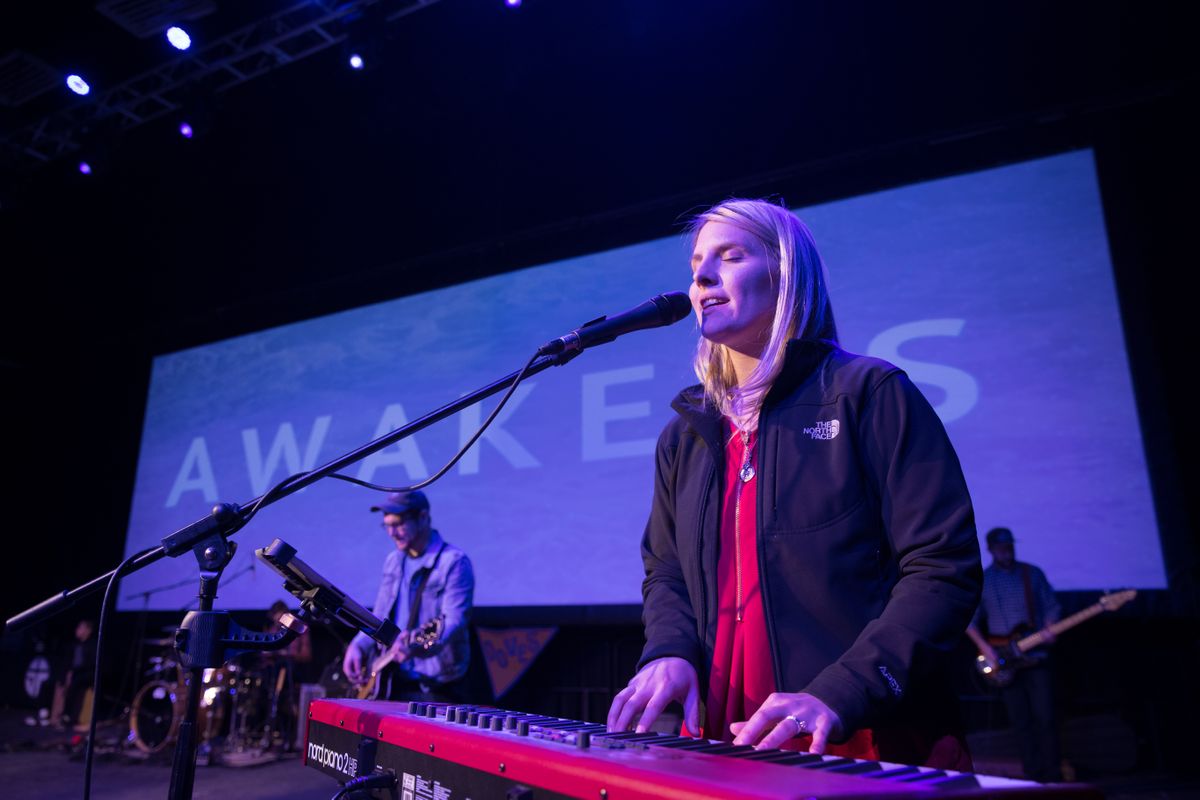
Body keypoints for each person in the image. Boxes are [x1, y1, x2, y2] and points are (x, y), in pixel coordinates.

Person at [606, 198, 982, 769]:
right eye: (695, 267)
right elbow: (667, 571)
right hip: (726, 746)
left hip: (863, 743)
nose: (702, 276)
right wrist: (669, 650)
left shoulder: (869, 393)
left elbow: (942, 568)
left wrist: (843, 691)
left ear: (786, 274)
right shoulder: (684, 437)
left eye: (730, 257)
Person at [342, 490, 474, 703]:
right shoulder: (394, 560)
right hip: (392, 676)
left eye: (399, 524)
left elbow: (454, 620)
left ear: (423, 517)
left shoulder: (454, 562)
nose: (392, 533)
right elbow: (380, 615)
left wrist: (417, 647)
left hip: (436, 682)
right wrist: (358, 645)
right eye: (387, 525)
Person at [966, 527, 1063, 782]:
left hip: (1037, 656)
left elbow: (1052, 605)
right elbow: (970, 620)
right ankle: (1033, 776)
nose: (1006, 550)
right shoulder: (985, 580)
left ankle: (1053, 776)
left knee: (1046, 718)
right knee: (1021, 722)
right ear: (990, 549)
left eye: (1009, 545)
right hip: (1004, 660)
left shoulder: (1032, 574)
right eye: (1000, 547)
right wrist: (985, 648)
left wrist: (1052, 624)